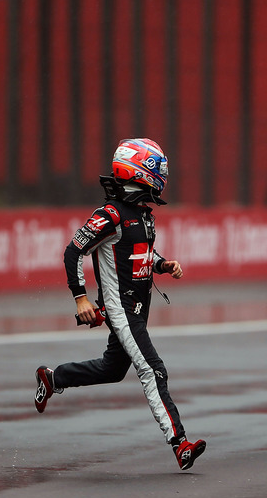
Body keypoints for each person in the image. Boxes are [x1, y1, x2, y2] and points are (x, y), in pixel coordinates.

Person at [34, 138, 206, 471]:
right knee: (153, 370)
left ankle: (52, 378)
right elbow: (74, 251)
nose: (162, 175)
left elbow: (139, 253)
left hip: (138, 310)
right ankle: (180, 443)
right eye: (157, 168)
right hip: (121, 310)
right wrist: (81, 297)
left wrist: (162, 264)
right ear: (137, 169)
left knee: (113, 369)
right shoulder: (110, 215)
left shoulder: (143, 214)